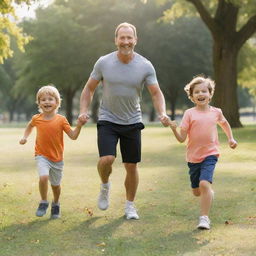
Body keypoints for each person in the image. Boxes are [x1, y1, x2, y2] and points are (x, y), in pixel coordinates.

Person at [79, 22, 170, 220]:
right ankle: (105, 185)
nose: (126, 42)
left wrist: (162, 112)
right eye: (122, 38)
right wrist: (84, 110)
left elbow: (156, 93)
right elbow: (89, 89)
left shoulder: (145, 65)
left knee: (131, 165)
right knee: (107, 159)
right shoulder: (103, 62)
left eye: (130, 38)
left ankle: (130, 206)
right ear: (116, 40)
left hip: (132, 120)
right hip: (108, 118)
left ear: (135, 40)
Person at [169, 75, 237, 230]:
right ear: (192, 96)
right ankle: (208, 193)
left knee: (204, 183)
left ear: (210, 94)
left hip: (210, 154)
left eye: (204, 91)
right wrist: (174, 129)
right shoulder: (189, 114)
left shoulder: (216, 112)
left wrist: (231, 139)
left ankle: (204, 218)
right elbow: (181, 139)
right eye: (197, 92)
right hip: (193, 157)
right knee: (197, 191)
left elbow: (225, 124)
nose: (201, 94)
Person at [20, 85, 86, 219]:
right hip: (41, 155)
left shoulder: (61, 120)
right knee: (43, 177)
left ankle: (56, 204)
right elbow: (29, 126)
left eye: (50, 99)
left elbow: (73, 136)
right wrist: (25, 137)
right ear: (39, 103)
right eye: (43, 99)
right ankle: (44, 201)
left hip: (57, 158)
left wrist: (79, 126)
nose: (47, 102)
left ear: (57, 102)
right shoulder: (36, 118)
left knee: (55, 186)